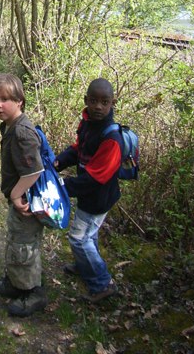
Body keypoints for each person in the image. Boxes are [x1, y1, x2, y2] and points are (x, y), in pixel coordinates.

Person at [54, 78, 123, 303]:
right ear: (86, 101)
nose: (98, 107)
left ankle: (102, 283)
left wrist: (61, 187)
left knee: (78, 239)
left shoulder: (111, 138)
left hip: (98, 197)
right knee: (87, 235)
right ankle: (85, 265)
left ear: (113, 103)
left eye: (104, 102)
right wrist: (59, 163)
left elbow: (95, 178)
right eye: (93, 101)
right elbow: (77, 149)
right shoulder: (88, 124)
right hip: (88, 194)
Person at [0, 73, 48, 318]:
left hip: (27, 202)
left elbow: (34, 170)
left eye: (5, 99)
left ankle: (34, 293)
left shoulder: (22, 132)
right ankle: (15, 283)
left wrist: (15, 195)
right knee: (16, 242)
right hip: (21, 200)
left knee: (25, 247)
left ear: (20, 100)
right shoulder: (10, 125)